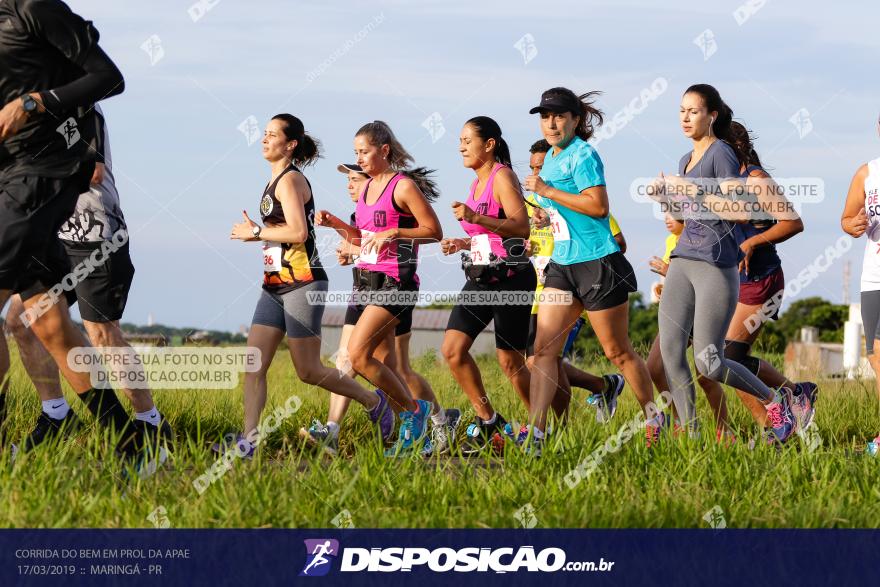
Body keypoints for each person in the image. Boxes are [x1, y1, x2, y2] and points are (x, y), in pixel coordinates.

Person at [0, 0, 159, 466]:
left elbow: (107, 77)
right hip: (11, 176)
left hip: (40, 174)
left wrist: (34, 103)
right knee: (44, 319)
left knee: (76, 322)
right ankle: (136, 448)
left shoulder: (31, 7)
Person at [226, 114, 393, 458]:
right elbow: (283, 231)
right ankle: (249, 442)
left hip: (303, 282)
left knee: (308, 370)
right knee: (254, 364)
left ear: (289, 145)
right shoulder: (275, 181)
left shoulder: (289, 181)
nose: (264, 139)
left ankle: (373, 401)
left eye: (272, 135)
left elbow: (299, 233)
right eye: (264, 133)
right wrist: (261, 232)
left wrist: (256, 232)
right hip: (274, 283)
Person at [654, 84, 797, 445]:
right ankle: (690, 437)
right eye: (681, 111)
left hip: (715, 264)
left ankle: (777, 401)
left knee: (710, 362)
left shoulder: (721, 153)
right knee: (670, 355)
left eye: (694, 111)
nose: (686, 117)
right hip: (683, 258)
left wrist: (688, 190)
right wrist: (667, 199)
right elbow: (687, 219)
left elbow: (740, 210)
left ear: (711, 115)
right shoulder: (685, 161)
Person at [523, 87, 659, 456]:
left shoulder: (583, 154)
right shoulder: (550, 156)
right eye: (545, 116)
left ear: (575, 120)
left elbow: (598, 206)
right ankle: (535, 433)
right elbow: (561, 206)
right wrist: (545, 212)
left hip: (597, 262)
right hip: (561, 264)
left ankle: (653, 419)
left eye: (559, 117)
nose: (551, 124)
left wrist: (548, 190)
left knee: (617, 352)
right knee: (543, 349)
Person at [302, 163, 459, 456]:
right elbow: (362, 244)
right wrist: (341, 230)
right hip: (363, 290)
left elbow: (394, 250)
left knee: (396, 368)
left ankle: (436, 420)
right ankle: (336, 430)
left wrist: (357, 251)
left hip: (393, 289)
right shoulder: (359, 213)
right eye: (347, 180)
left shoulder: (396, 205)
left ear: (374, 181)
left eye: (354, 180)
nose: (349, 186)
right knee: (352, 360)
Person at [438, 116, 534, 454]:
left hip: (512, 278)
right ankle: (491, 422)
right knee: (452, 350)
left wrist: (475, 217)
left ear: (489, 144)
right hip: (482, 278)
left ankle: (538, 430)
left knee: (510, 362)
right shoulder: (475, 185)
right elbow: (489, 238)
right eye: (460, 139)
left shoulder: (502, 177)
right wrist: (462, 244)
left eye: (468, 139)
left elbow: (521, 227)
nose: (461, 145)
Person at [526, 139, 626, 425]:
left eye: (542, 167)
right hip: (537, 294)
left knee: (543, 360)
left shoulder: (576, 200)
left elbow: (617, 240)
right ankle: (602, 387)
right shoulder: (536, 208)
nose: (537, 173)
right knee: (536, 361)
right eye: (533, 168)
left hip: (575, 286)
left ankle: (557, 427)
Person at [840, 112, 880, 453]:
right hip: (873, 275)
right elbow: (847, 219)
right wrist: (853, 224)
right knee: (875, 356)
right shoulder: (867, 173)